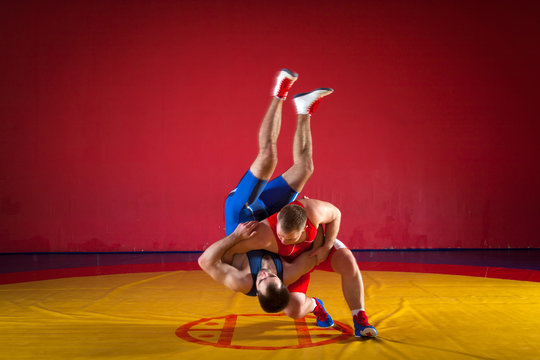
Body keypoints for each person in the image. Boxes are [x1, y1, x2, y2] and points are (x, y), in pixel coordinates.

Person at [222, 198, 378, 338]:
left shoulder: (313, 210)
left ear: (303, 228)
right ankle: (316, 306)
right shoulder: (265, 231)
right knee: (293, 310)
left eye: (289, 238)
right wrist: (236, 236)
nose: (283, 240)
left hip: (317, 252)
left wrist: (326, 246)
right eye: (280, 235)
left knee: (348, 262)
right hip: (291, 266)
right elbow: (229, 251)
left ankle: (360, 319)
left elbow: (336, 213)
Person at [198, 220, 325, 312]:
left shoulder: (242, 282)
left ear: (257, 292)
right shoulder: (288, 273)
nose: (264, 273)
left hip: (240, 231)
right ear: (282, 282)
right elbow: (314, 255)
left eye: (261, 280)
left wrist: (235, 236)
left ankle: (314, 305)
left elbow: (205, 261)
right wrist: (315, 220)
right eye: (271, 275)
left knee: (237, 205)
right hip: (267, 227)